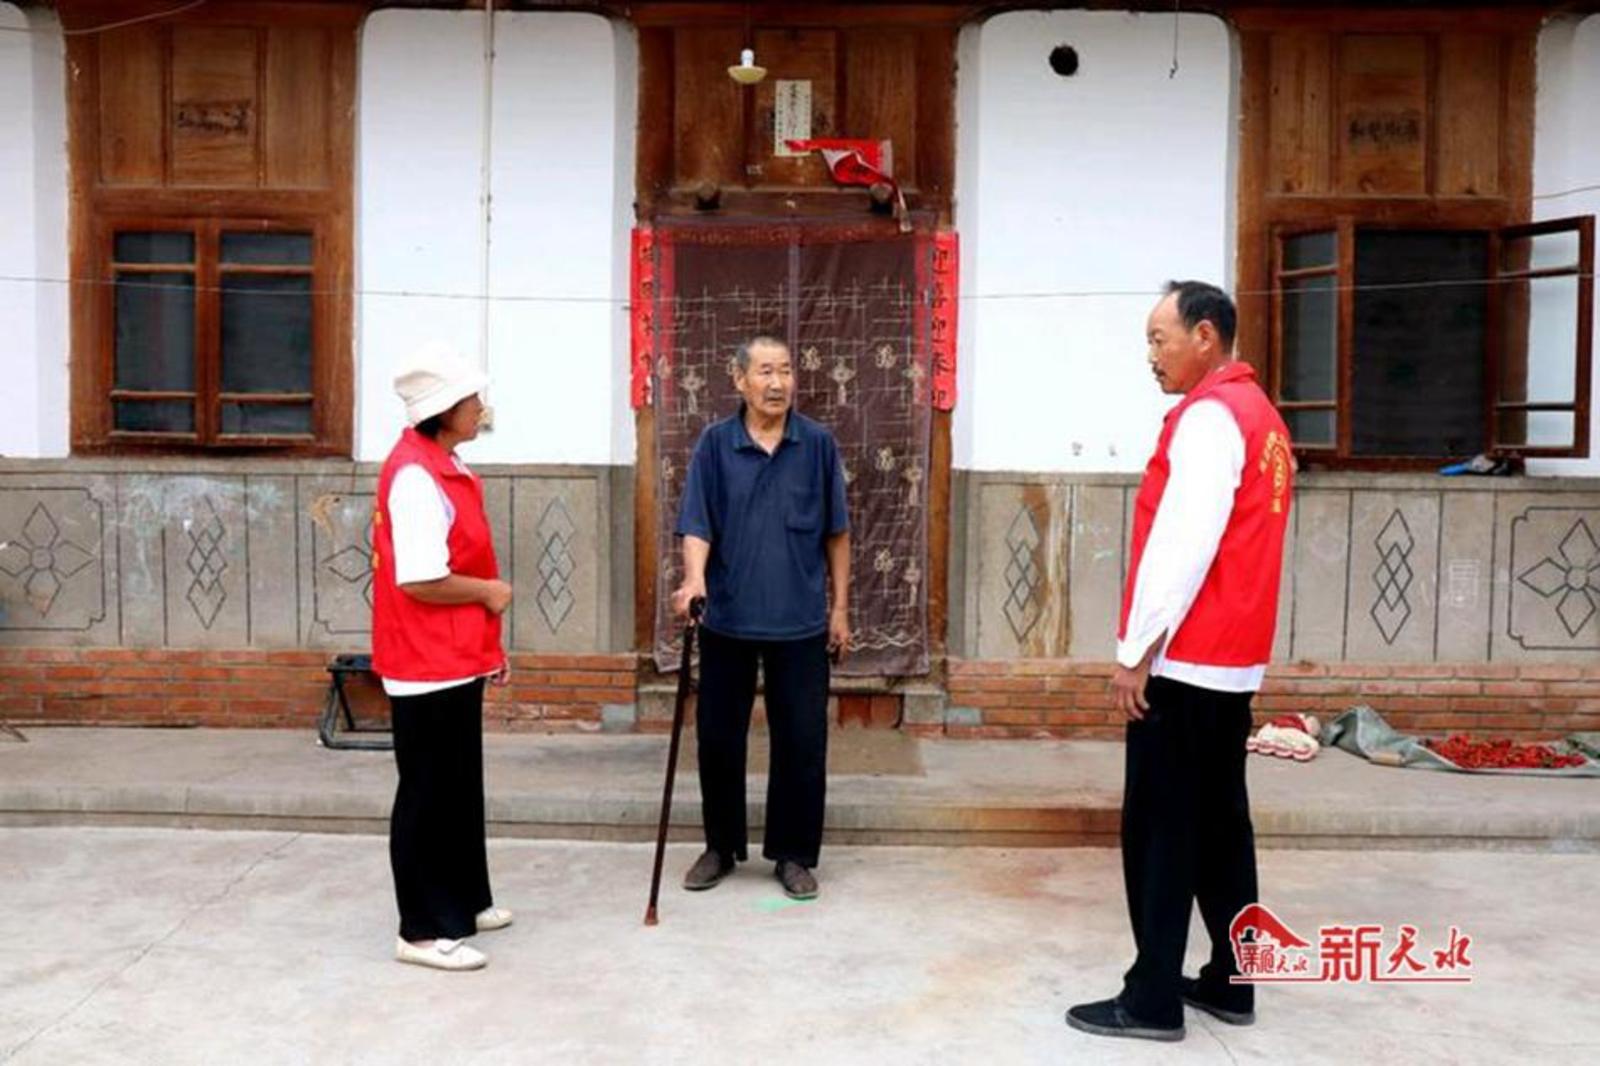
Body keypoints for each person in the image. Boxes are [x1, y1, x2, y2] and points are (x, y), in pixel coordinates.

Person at [1067, 281, 1294, 1041]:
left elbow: (1182, 546)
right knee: (1222, 826)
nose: (1151, 355)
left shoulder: (1209, 418)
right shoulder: (1261, 417)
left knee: (1161, 829)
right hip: (1233, 662)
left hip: (1189, 660)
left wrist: (1135, 652)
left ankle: (1153, 997)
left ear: (1205, 336)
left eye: (1159, 339)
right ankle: (1232, 978)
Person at [671, 335, 851, 901]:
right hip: (727, 618)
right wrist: (694, 579)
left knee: (802, 742)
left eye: (786, 371)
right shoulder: (715, 444)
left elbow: (837, 532)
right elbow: (697, 522)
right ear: (740, 379)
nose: (778, 383)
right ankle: (721, 847)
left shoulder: (816, 444)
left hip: (800, 622)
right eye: (766, 371)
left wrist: (840, 608)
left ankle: (794, 855)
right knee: (718, 739)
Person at [371, 346, 515, 972]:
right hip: (424, 657)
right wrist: (488, 593)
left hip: (455, 652)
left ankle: (465, 901)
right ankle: (422, 930)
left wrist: (486, 644)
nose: (481, 408)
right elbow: (422, 578)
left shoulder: (446, 464)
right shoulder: (414, 477)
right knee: (427, 793)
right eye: (472, 400)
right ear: (445, 410)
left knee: (459, 783)